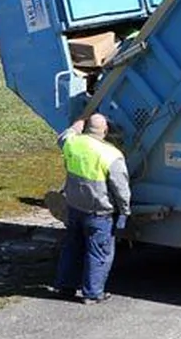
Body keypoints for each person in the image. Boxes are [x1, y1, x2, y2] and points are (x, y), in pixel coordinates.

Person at [53, 113, 131, 305]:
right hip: (99, 214)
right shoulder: (111, 155)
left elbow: (63, 137)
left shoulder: (73, 143)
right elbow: (121, 189)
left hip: (74, 207)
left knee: (72, 247)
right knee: (98, 253)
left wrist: (77, 124)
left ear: (86, 128)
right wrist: (124, 212)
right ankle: (92, 293)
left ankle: (64, 286)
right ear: (105, 131)